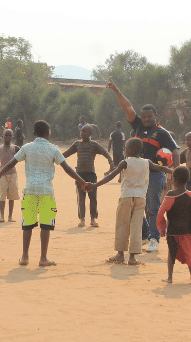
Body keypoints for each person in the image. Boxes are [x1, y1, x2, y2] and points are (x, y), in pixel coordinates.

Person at [0, 120, 88, 267]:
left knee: (27, 224)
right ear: (48, 134)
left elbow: (11, 163)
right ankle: (43, 258)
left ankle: (24, 256)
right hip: (46, 192)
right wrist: (83, 182)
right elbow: (68, 169)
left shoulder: (27, 148)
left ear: (34, 134)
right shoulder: (53, 149)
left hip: (30, 191)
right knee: (46, 225)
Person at [107, 77, 179, 252]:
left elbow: (175, 150)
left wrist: (174, 171)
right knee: (137, 204)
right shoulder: (138, 125)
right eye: (144, 116)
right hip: (136, 173)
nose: (146, 119)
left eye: (150, 116)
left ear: (156, 116)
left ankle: (155, 239)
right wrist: (117, 91)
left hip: (155, 173)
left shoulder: (161, 133)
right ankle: (146, 233)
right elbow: (128, 107)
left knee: (152, 206)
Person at [88, 138, 172, 265]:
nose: (124, 149)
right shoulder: (146, 162)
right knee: (136, 227)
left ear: (131, 150)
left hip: (127, 197)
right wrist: (173, 171)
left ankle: (120, 254)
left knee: (122, 224)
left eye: (126, 147)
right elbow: (160, 168)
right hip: (141, 198)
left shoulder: (125, 162)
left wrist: (95, 185)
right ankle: (132, 257)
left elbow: (111, 176)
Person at [63, 124, 115, 227]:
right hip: (79, 175)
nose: (82, 133)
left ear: (90, 134)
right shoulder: (77, 144)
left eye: (85, 131)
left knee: (93, 197)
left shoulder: (94, 145)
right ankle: (82, 219)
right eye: (81, 131)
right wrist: (54, 157)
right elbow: (66, 154)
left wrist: (111, 161)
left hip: (91, 174)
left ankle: (93, 219)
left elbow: (105, 152)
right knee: (81, 197)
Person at [157, 167, 191, 284]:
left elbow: (160, 213)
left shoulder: (170, 196)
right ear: (188, 180)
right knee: (190, 253)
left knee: (171, 253)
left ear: (173, 180)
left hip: (172, 231)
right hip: (187, 230)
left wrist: (162, 228)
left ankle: (170, 277)